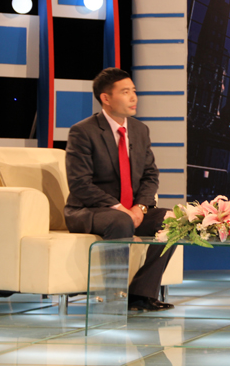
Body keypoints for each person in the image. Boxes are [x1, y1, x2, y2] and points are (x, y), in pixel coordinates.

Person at [64, 67, 176, 312]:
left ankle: (140, 294)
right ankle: (113, 294)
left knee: (172, 221)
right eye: (125, 92)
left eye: (134, 91)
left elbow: (150, 175)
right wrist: (120, 209)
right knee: (120, 220)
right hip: (89, 210)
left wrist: (140, 207)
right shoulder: (83, 131)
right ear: (106, 98)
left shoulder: (140, 130)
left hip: (129, 210)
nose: (134, 97)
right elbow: (80, 184)